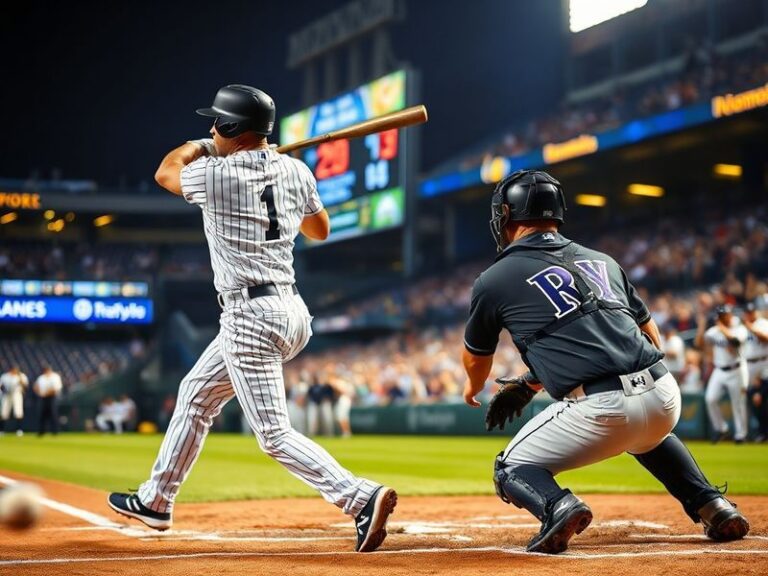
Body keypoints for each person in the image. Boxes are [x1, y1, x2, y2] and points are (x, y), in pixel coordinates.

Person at [107, 84, 396, 553]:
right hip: (291, 311)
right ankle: (156, 500)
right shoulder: (296, 169)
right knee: (196, 395)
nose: (209, 129)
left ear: (230, 129)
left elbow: (166, 172)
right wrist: (280, 179)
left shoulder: (214, 174)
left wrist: (204, 148)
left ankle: (360, 497)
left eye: (215, 123)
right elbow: (318, 230)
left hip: (250, 315)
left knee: (273, 434)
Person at [461, 170, 748, 555]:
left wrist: (472, 387)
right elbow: (648, 335)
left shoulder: (493, 278)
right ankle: (714, 506)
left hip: (603, 409)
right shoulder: (603, 260)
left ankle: (558, 506)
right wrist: (532, 382)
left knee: (509, 469)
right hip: (664, 394)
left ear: (507, 215)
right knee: (651, 436)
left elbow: (477, 357)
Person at [696, 305, 749, 443]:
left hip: (737, 369)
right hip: (719, 370)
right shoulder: (714, 331)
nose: (722, 317)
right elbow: (699, 343)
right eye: (720, 315)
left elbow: (735, 342)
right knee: (710, 399)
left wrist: (721, 328)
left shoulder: (739, 328)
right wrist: (702, 326)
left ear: (731, 315)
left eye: (725, 314)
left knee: (738, 403)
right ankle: (721, 429)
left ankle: (740, 435)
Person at [743, 303, 768, 441]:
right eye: (747, 312)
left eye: (751, 312)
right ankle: (758, 432)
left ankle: (763, 432)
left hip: (763, 363)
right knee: (752, 399)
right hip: (749, 365)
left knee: (762, 399)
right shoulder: (743, 328)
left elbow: (766, 338)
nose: (749, 314)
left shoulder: (762, 323)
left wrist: (751, 328)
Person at [0, 365, 29, 436]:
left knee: (18, 412)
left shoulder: (21, 376)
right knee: (4, 412)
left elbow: (25, 386)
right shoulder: (5, 376)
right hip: (6, 395)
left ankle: (19, 430)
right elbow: (1, 386)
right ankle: (1, 430)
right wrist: (4, 390)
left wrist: (20, 380)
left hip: (17, 394)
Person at [34, 366, 62, 436]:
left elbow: (56, 388)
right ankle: (41, 431)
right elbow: (36, 386)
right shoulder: (41, 377)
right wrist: (40, 393)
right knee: (42, 415)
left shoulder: (55, 377)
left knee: (53, 414)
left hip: (52, 398)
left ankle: (55, 431)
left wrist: (46, 393)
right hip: (42, 398)